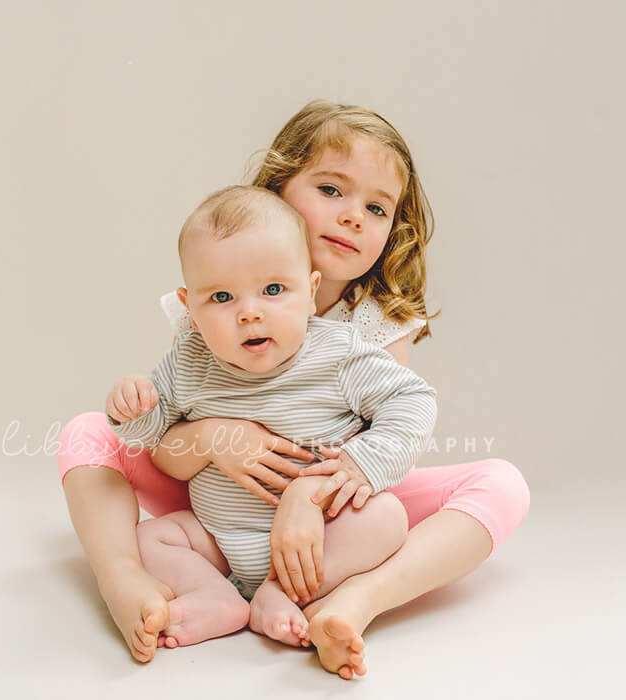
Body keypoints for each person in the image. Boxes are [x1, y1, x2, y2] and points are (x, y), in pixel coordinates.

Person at [56, 100, 530, 680]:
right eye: (332, 190)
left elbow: (395, 433)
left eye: (376, 207)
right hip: (216, 498)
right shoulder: (221, 285)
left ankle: (354, 599)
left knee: (495, 487)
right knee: (87, 432)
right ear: (279, 190)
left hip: (328, 513)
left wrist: (307, 497)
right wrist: (211, 436)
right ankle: (123, 576)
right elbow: (170, 426)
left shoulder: (373, 326)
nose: (353, 216)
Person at [105, 185, 436, 656]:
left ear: (310, 291)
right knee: (151, 536)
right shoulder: (190, 360)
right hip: (218, 541)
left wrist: (360, 464)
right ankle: (215, 596)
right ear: (190, 309)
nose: (250, 312)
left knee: (385, 519)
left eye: (274, 290)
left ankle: (281, 592)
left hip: (317, 536)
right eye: (221, 297)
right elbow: (156, 440)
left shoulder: (336, 353)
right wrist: (133, 409)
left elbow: (413, 399)